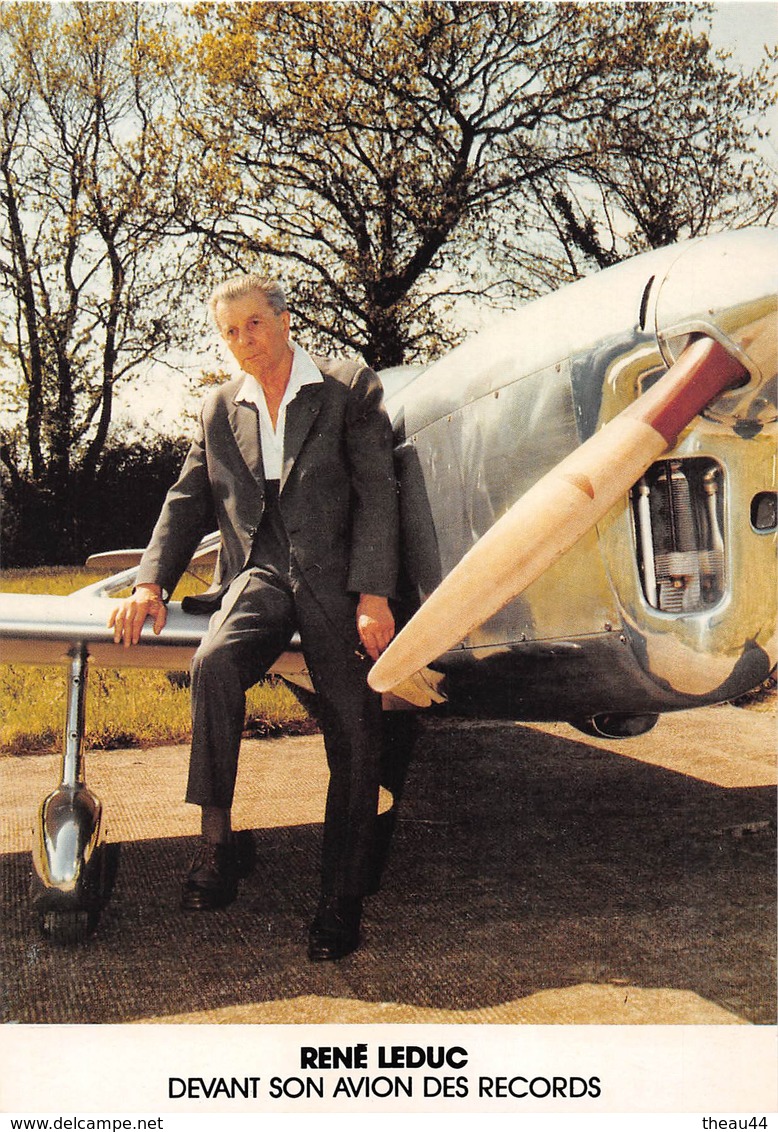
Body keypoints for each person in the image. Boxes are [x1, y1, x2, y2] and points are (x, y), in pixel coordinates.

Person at [109, 273, 399, 961]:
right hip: (259, 575)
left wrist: (374, 595)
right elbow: (186, 502)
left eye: (254, 325)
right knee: (211, 665)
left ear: (285, 321)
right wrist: (150, 583)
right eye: (230, 332)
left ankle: (342, 896)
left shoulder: (346, 388)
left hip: (333, 578)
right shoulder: (220, 408)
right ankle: (217, 843)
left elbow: (378, 494)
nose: (243, 342)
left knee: (355, 726)